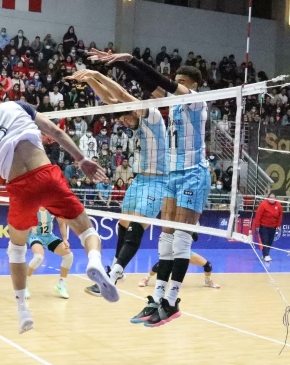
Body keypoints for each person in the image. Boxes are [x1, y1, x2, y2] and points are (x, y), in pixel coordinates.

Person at [0, 83, 117, 334]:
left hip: (19, 188)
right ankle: (95, 261)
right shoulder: (14, 105)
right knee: (86, 229)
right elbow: (55, 131)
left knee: (16, 248)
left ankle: (22, 309)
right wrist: (81, 159)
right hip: (46, 174)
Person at [90, 49, 210, 327]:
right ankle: (157, 299)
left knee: (180, 239)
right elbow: (150, 85)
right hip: (173, 174)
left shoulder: (195, 101)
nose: (173, 82)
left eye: (180, 80)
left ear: (191, 85)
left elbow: (162, 83)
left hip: (193, 174)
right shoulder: (174, 105)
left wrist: (131, 58)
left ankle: (171, 301)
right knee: (165, 238)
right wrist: (123, 63)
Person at [65, 70, 168, 297]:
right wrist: (90, 80)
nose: (123, 122)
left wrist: (96, 73)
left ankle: (111, 277)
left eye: (124, 117)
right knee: (123, 224)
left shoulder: (151, 115)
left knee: (135, 227)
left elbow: (120, 94)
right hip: (139, 180)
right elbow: (110, 100)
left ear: (134, 110)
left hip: (158, 181)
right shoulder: (134, 121)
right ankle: (116, 271)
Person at [25, 207, 73, 299]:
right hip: (34, 236)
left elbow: (62, 224)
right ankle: (24, 283)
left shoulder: (53, 207)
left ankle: (61, 284)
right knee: (38, 257)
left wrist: (65, 239)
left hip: (49, 237)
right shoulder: (32, 206)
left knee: (68, 255)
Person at [138, 252, 220, 292]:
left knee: (208, 265)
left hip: (186, 251)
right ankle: (146, 279)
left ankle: (207, 282)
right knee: (160, 265)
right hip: (174, 251)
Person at [252, 193, 283, 262]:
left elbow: (280, 216)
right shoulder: (263, 204)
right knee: (265, 240)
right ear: (268, 198)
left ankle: (264, 254)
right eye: (270, 197)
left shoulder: (278, 205)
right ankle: (266, 255)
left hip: (273, 227)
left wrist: (278, 225)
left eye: (273, 197)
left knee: (270, 241)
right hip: (264, 227)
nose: (272, 199)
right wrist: (257, 226)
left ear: (275, 198)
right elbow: (258, 215)